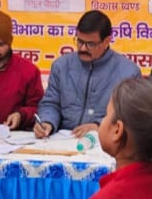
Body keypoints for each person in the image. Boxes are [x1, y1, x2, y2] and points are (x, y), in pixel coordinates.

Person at [34, 10, 141, 138]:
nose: (83, 48)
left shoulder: (129, 72)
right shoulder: (61, 66)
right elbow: (51, 104)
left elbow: (129, 115)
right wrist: (47, 122)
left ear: (107, 41)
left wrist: (99, 126)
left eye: (90, 44)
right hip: (64, 139)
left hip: (105, 141)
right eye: (80, 41)